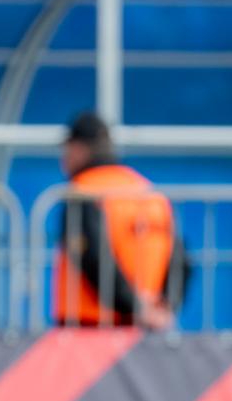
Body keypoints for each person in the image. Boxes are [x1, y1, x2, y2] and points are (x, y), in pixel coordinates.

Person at [50, 111, 188, 329]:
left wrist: (134, 305)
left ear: (79, 148)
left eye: (66, 150)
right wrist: (164, 306)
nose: (64, 159)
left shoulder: (83, 192)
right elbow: (180, 258)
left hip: (87, 327)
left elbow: (94, 259)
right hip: (143, 329)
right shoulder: (150, 193)